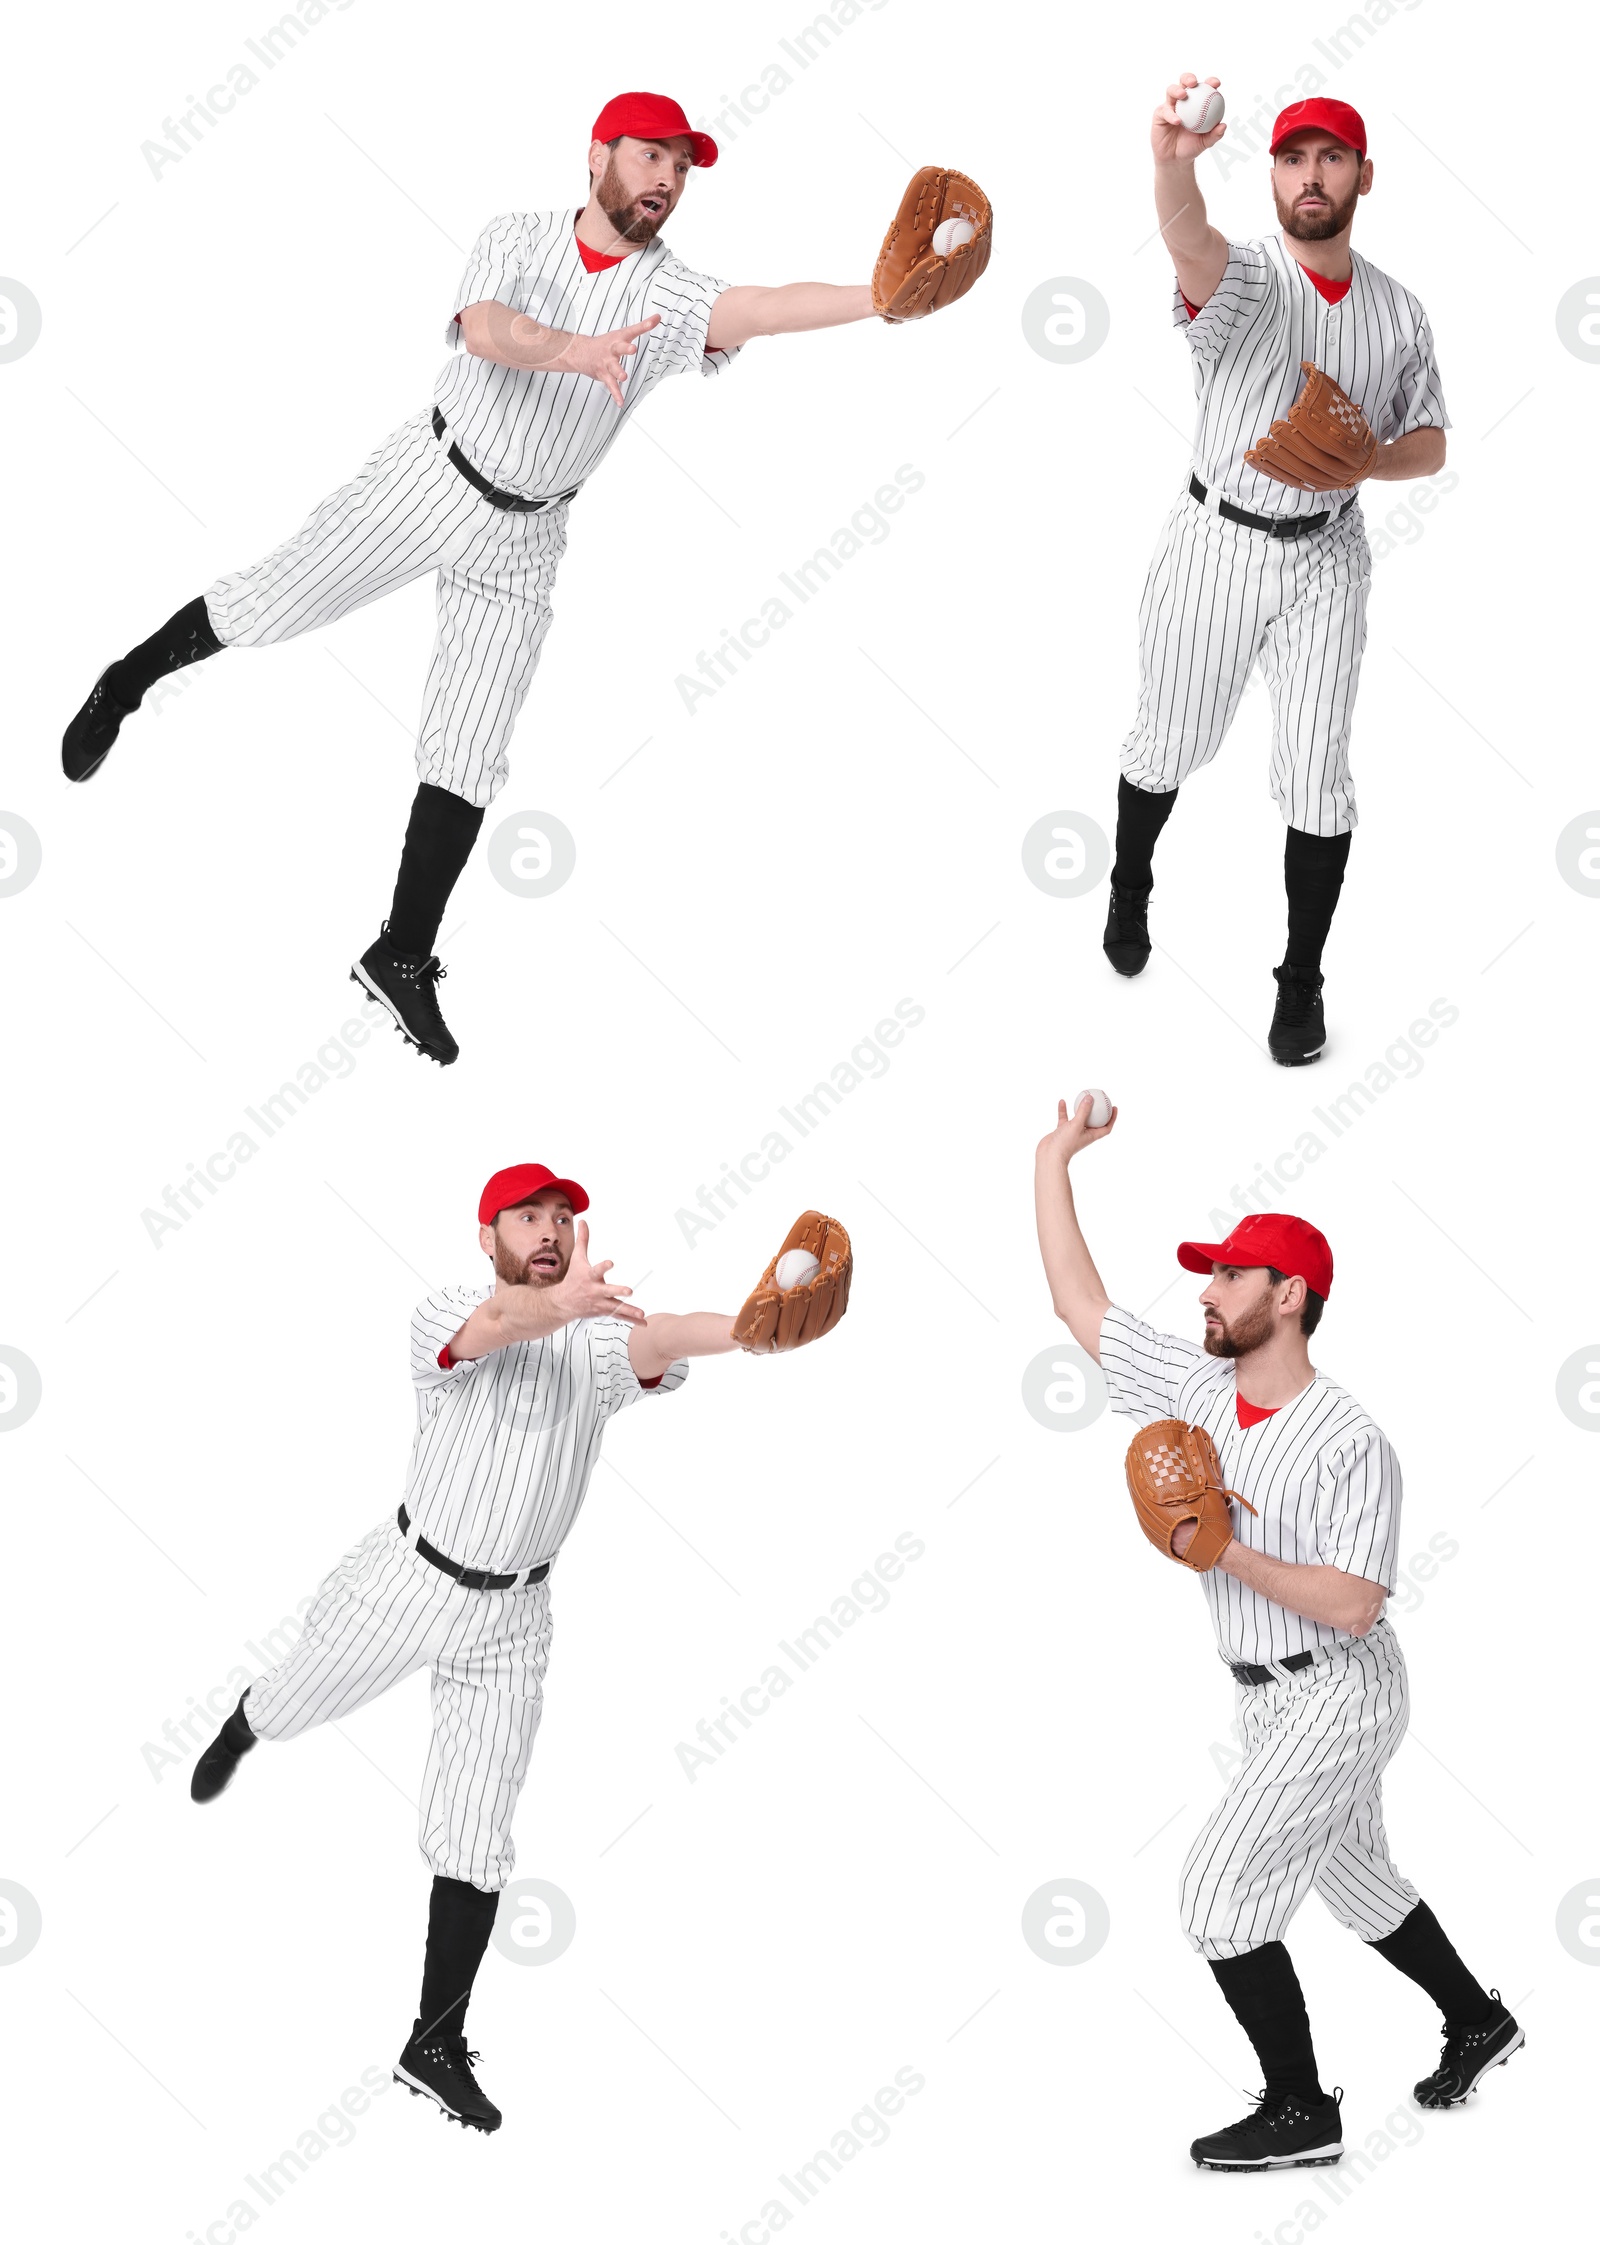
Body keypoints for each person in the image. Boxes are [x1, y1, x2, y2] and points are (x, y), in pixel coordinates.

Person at [1033, 1095, 1523, 2168]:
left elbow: (1355, 1604)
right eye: (1208, 1274)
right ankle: (1477, 2021)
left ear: (1287, 1295)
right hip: (1260, 1694)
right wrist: (1053, 1156)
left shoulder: (1351, 1439)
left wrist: (1224, 1552)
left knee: (1216, 1895)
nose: (1204, 1291)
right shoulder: (1197, 1385)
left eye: (1226, 1274)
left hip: (1345, 1682)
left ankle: (1302, 2108)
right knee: (1355, 1880)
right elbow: (1080, 1302)